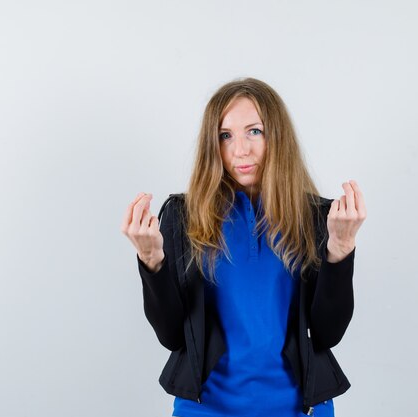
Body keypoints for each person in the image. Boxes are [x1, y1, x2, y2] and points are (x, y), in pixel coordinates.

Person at [121, 78, 366, 417]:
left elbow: (328, 333)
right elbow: (173, 337)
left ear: (277, 136)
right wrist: (151, 262)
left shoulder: (317, 217)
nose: (240, 150)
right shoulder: (182, 217)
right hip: (206, 409)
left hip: (300, 409)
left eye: (254, 131)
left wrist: (340, 249)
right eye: (226, 135)